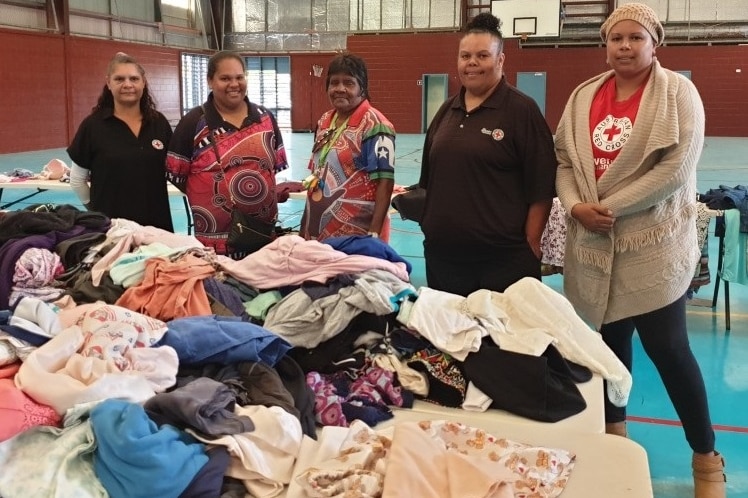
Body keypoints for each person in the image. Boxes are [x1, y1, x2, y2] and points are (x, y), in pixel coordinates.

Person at [554, 4, 726, 497]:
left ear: (655, 43)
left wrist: (605, 205)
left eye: (635, 38)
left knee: (670, 350)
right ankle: (615, 443)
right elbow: (564, 158)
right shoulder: (584, 94)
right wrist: (575, 205)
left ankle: (706, 457)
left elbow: (676, 168)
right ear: (605, 45)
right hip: (596, 245)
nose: (624, 47)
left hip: (653, 249)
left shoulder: (678, 93)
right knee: (611, 352)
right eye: (615, 38)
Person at [417, 12, 556, 296]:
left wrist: (530, 243)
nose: (472, 63)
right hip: (445, 260)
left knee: (502, 341)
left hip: (503, 262)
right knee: (450, 339)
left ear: (501, 60)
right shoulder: (446, 110)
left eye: (482, 56)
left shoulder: (522, 110)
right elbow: (429, 182)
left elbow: (541, 187)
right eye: (465, 56)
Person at [166, 50, 288, 255]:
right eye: (225, 78)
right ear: (210, 81)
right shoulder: (193, 123)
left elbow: (270, 169)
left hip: (263, 238)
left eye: (239, 77)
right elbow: (177, 174)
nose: (234, 84)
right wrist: (210, 194)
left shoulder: (265, 118)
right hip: (215, 246)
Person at [67, 52, 174, 231]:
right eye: (119, 79)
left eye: (134, 78)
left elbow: (176, 170)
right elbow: (77, 180)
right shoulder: (92, 126)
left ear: (143, 82)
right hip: (112, 231)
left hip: (157, 227)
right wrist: (97, 214)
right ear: (108, 83)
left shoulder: (159, 123)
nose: (127, 84)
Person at [299, 52, 396, 242]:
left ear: (362, 88)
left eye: (349, 83)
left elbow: (385, 183)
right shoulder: (324, 120)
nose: (340, 89)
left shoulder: (376, 125)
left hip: (356, 235)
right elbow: (317, 171)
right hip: (317, 231)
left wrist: (373, 236)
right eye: (334, 82)